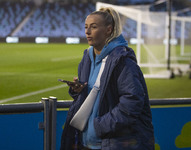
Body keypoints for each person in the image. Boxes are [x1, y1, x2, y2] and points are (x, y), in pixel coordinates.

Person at [60, 7, 155, 150]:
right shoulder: (87, 58)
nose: (87, 31)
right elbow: (96, 95)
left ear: (108, 30)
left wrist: (99, 126)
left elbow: (132, 101)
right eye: (86, 27)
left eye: (94, 27)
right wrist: (80, 90)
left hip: (111, 144)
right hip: (86, 143)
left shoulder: (123, 61)